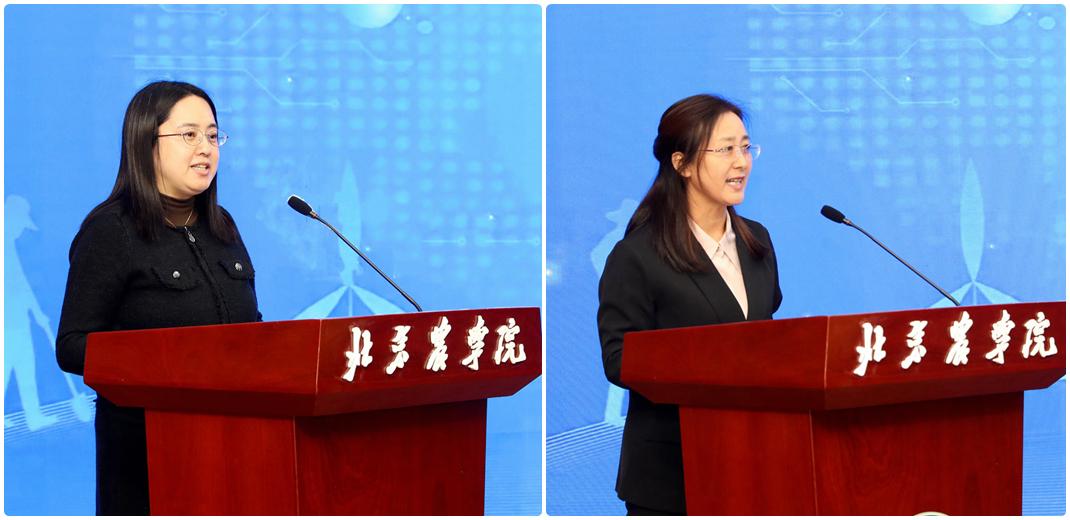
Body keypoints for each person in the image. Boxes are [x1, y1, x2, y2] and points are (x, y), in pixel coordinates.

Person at [56, 81, 261, 515]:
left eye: (213, 135)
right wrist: (168, 360)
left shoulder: (222, 226)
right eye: (189, 135)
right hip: (150, 458)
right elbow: (72, 345)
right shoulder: (111, 231)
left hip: (238, 449)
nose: (205, 148)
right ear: (146, 143)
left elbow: (252, 330)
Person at [597, 94, 782, 516]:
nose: (741, 162)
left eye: (746, 147)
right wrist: (714, 363)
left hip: (753, 459)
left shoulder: (758, 241)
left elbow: (766, 330)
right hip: (672, 473)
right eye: (725, 149)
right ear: (681, 164)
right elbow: (619, 359)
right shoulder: (638, 255)